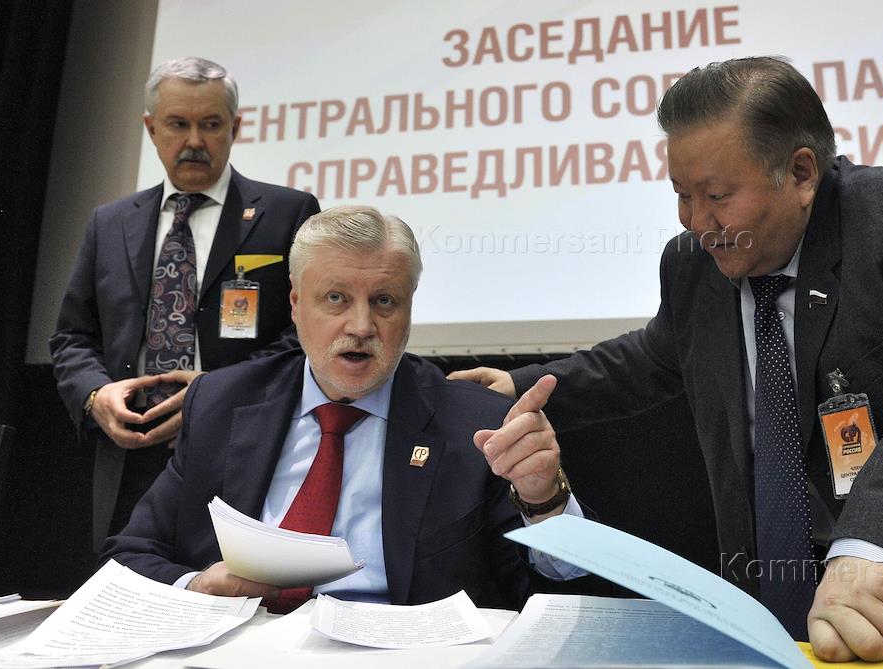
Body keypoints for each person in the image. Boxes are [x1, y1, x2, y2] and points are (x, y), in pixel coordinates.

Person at [451, 57, 883, 665]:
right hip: (815, 634)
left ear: (801, 172)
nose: (695, 221)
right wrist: (517, 383)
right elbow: (655, 355)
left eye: (717, 196)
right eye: (681, 195)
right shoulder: (694, 265)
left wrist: (875, 542)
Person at [101, 206, 579, 610]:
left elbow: (551, 599)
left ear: (410, 308)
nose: (361, 325)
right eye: (336, 299)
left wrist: (545, 504)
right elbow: (129, 555)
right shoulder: (222, 403)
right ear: (295, 304)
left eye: (384, 301)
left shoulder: (476, 425)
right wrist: (199, 587)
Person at [50, 57, 321, 549]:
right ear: (152, 129)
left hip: (237, 449)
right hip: (128, 451)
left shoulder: (288, 213)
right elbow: (73, 336)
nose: (194, 140)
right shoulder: (109, 223)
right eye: (178, 124)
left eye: (211, 125)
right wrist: (95, 396)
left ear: (235, 128)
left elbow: (307, 334)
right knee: (123, 582)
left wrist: (216, 395)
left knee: (225, 586)